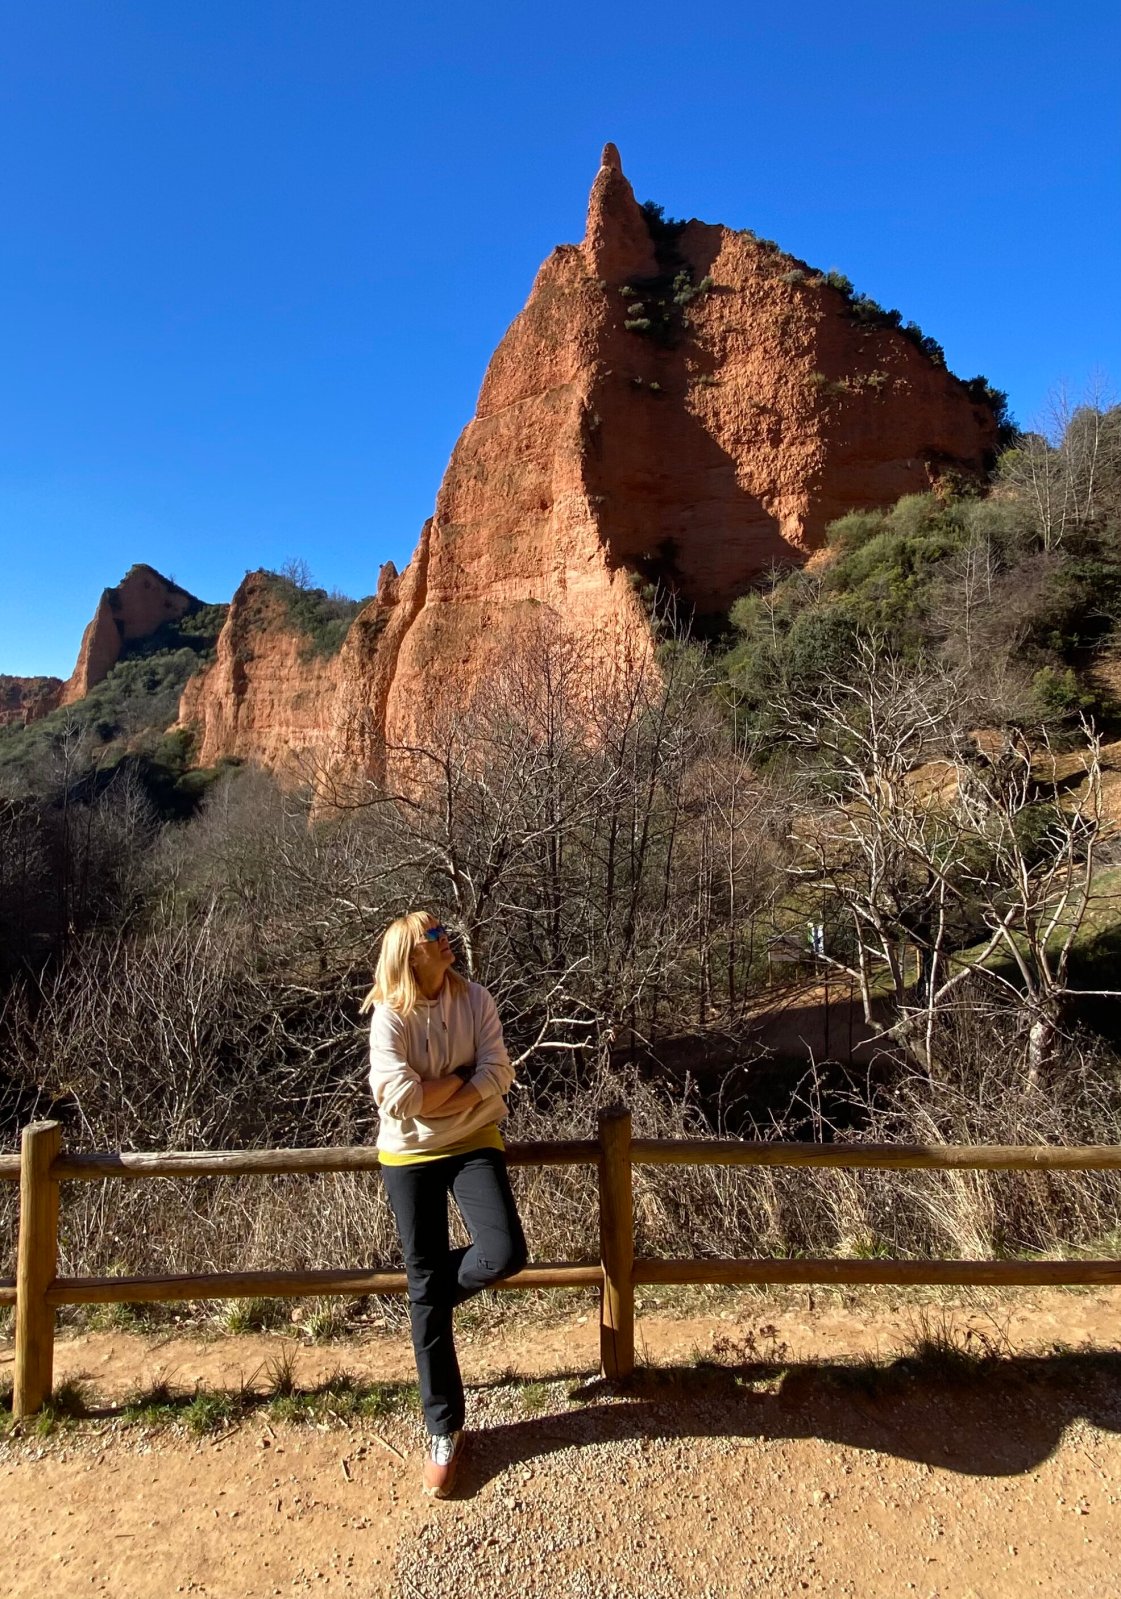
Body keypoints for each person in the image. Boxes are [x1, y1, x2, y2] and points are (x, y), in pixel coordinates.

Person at [362, 910, 528, 1497]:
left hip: (474, 1141)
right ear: (411, 956)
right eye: (432, 936)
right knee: (426, 1283)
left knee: (503, 1253)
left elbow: (500, 1072)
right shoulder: (390, 1015)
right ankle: (443, 1427)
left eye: (441, 931)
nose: (444, 938)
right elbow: (399, 1099)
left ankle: (427, 1296)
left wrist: (445, 1095)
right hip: (408, 1155)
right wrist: (462, 1081)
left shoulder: (475, 999)